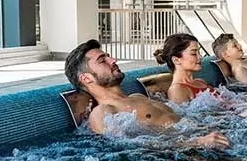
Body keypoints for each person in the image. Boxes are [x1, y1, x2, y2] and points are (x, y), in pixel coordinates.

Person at [64, 39, 231, 148]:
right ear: (86, 78)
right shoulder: (102, 113)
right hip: (189, 155)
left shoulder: (138, 97)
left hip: (209, 139)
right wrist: (197, 143)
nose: (113, 60)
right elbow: (127, 148)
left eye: (109, 57)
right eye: (103, 60)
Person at [154, 33, 219, 104]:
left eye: (199, 52)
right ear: (176, 60)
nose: (200, 57)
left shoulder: (201, 82)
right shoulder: (177, 90)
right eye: (194, 53)